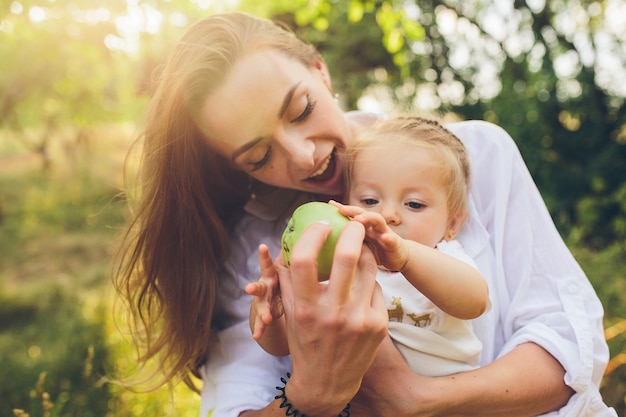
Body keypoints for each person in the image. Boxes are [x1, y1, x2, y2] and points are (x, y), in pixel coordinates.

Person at [112, 11, 616, 417]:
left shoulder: (468, 158)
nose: (303, 155)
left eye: (302, 109)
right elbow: (237, 401)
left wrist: (417, 401)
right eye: (259, 156)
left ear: (320, 71)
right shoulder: (257, 244)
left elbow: (569, 353)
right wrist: (306, 394)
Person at [246, 115, 491, 378]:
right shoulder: (339, 266)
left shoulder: (444, 258)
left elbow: (475, 302)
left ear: (452, 223)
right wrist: (272, 308)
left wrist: (406, 257)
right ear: (345, 204)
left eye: (414, 204)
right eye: (370, 200)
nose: (387, 214)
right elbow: (281, 346)